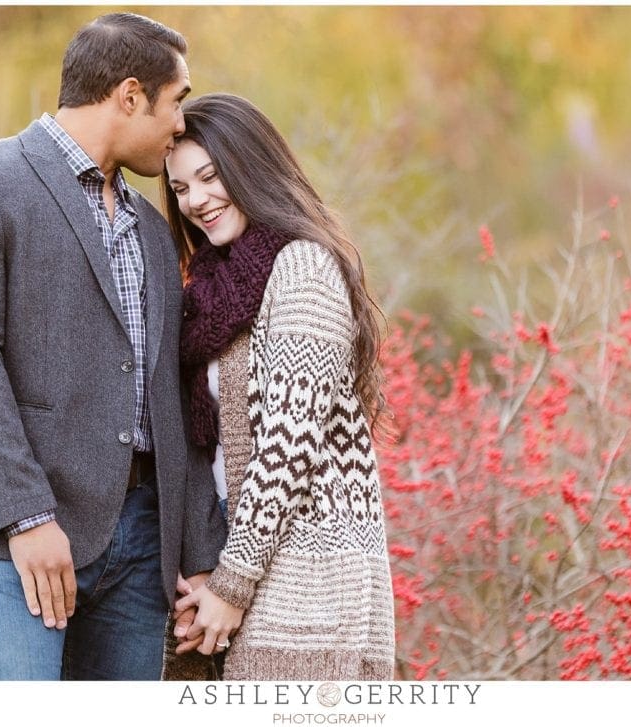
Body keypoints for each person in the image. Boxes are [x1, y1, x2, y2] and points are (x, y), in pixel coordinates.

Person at [0, 13, 226, 680]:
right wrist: (27, 515)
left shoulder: (149, 225)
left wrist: (198, 555)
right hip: (8, 546)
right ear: (131, 95)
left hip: (140, 548)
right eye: (178, 101)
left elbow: (172, 393)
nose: (180, 125)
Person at [161, 93, 396, 680]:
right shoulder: (215, 288)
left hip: (309, 579)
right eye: (182, 188)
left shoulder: (303, 268)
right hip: (251, 563)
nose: (196, 201)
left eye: (211, 177)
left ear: (251, 168)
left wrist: (233, 584)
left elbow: (288, 450)